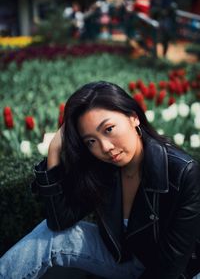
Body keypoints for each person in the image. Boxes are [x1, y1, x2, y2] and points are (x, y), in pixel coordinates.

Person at [0, 81, 200, 279]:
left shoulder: (183, 172)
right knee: (49, 235)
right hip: (128, 260)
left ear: (133, 117)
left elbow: (170, 268)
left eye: (109, 129)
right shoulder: (103, 167)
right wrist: (54, 150)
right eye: (91, 141)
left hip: (180, 273)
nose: (105, 147)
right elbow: (58, 222)